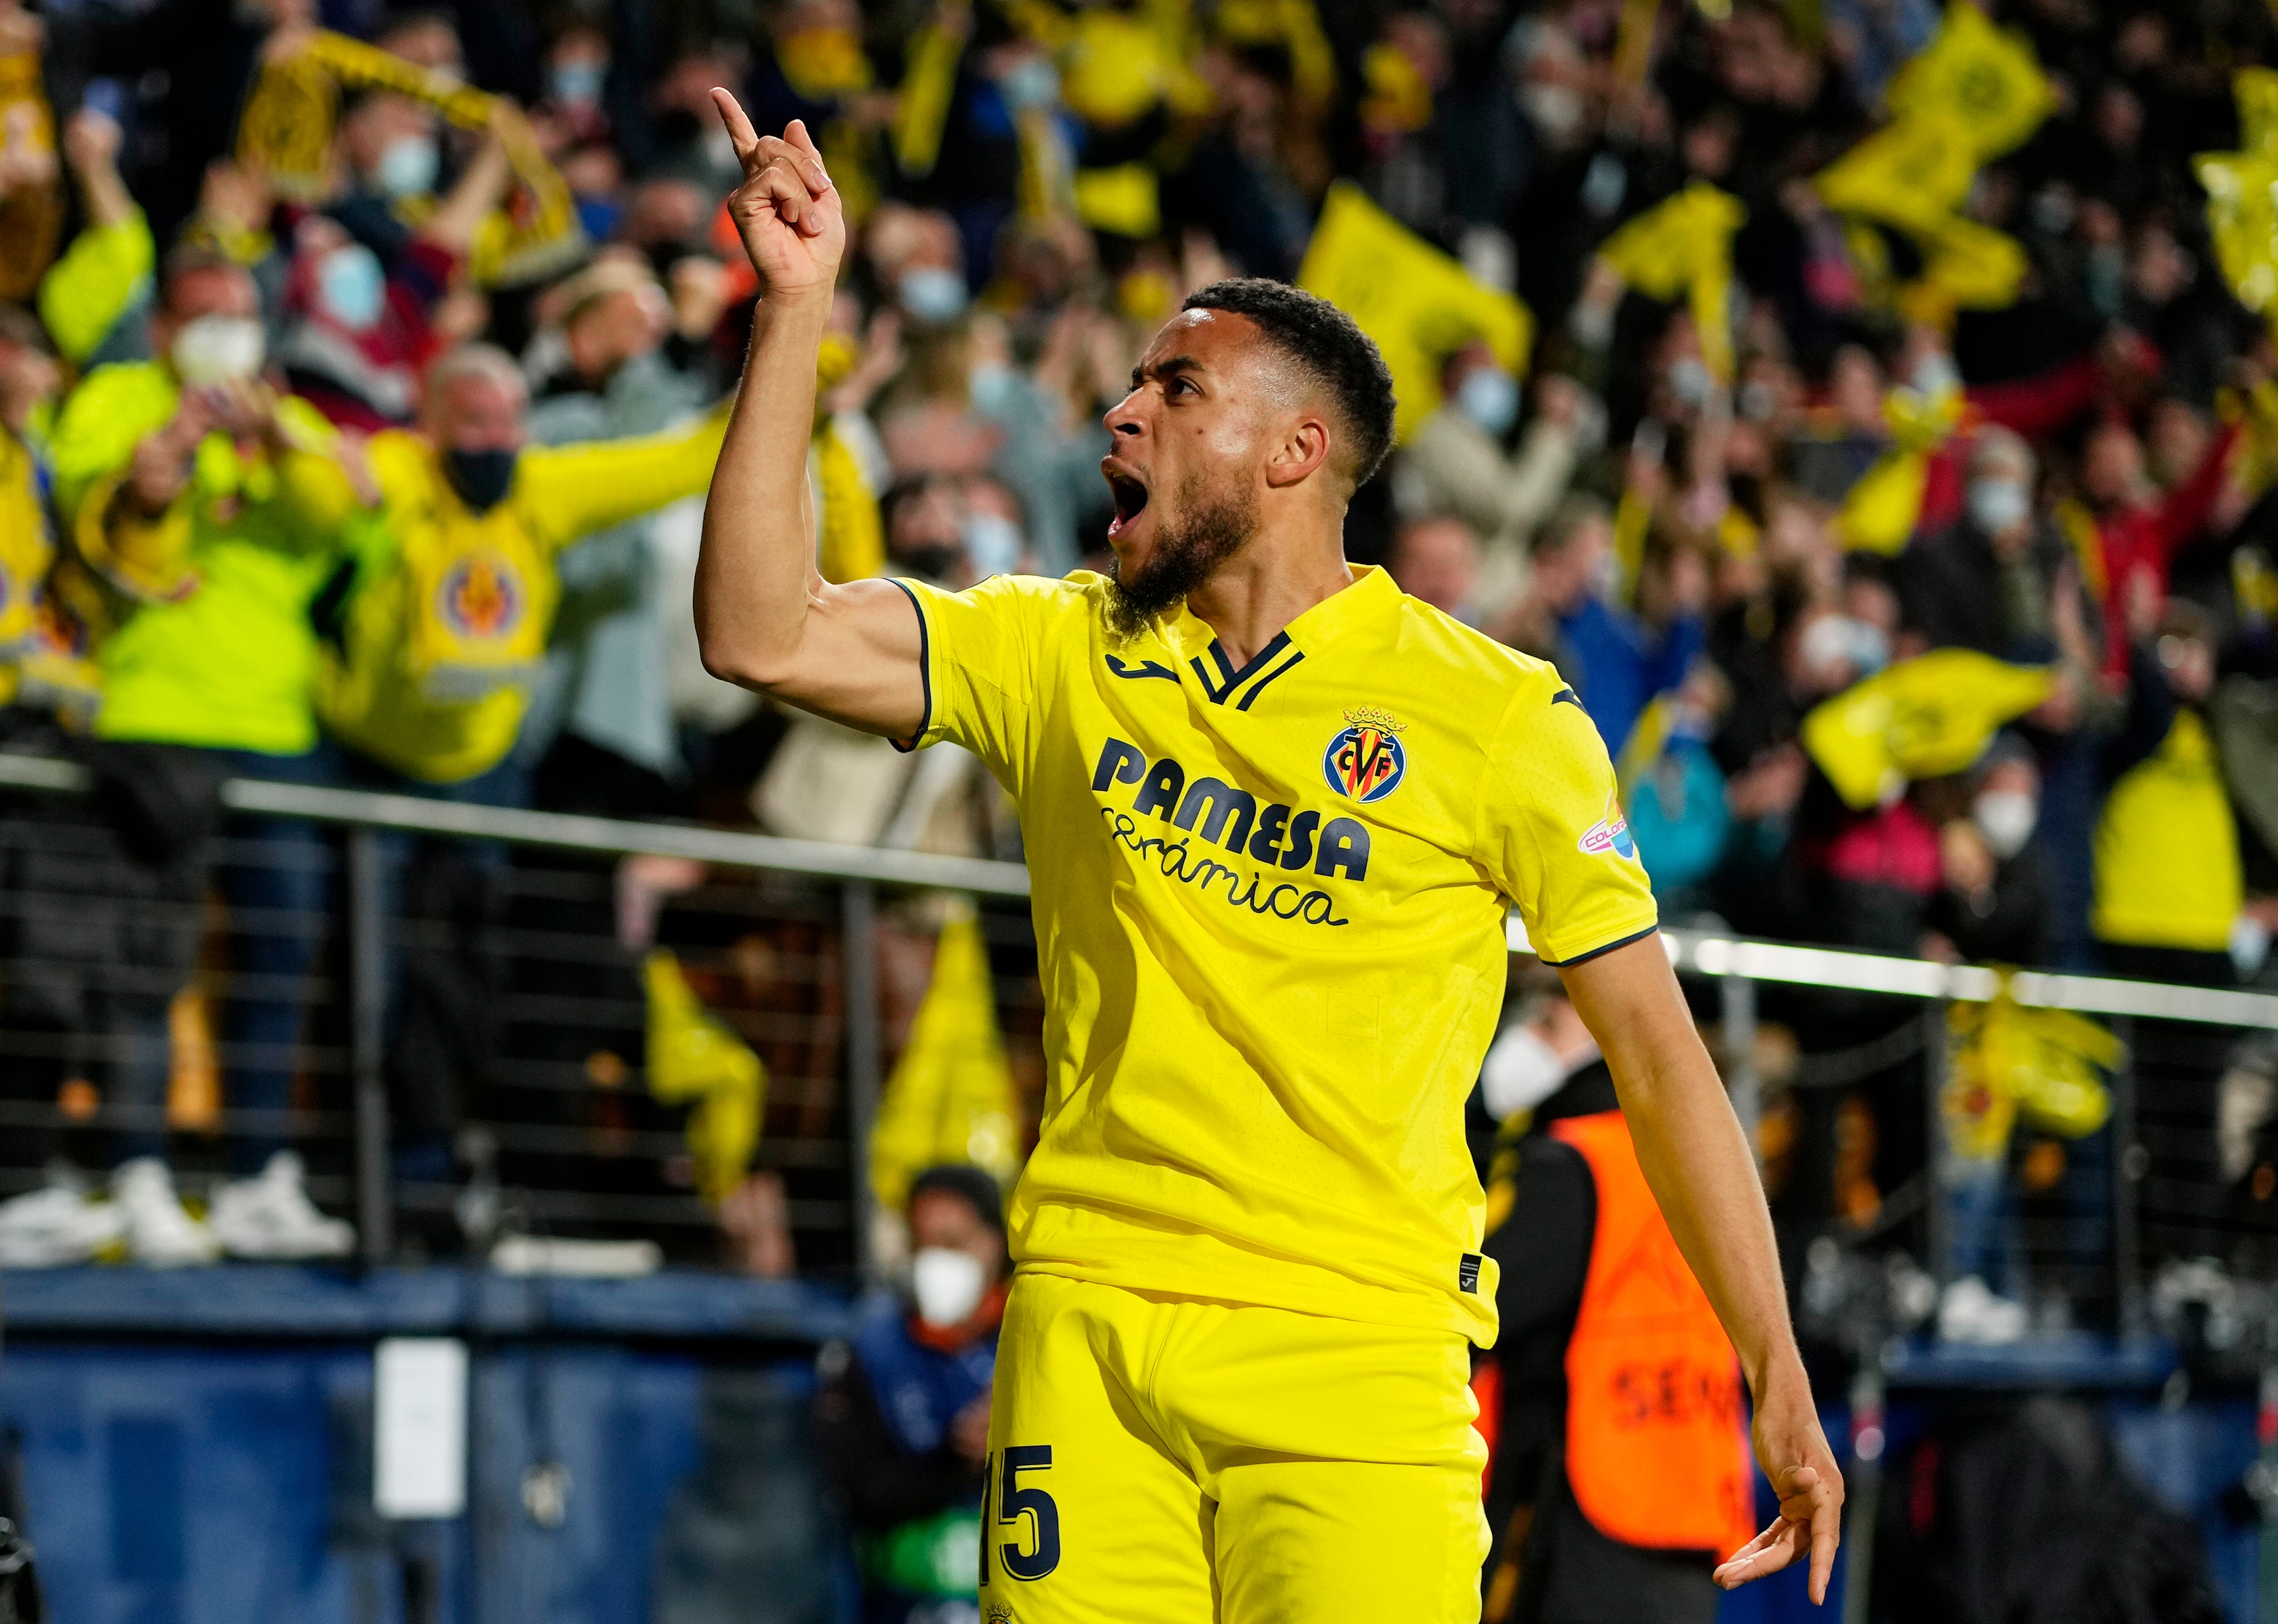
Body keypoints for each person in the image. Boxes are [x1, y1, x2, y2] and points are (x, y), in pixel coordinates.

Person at [693, 100, 1839, 1621]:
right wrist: (795, 311)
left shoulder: (1497, 716)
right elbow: (757, 631)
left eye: (1175, 389)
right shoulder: (1057, 647)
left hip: (1357, 1359)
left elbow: (1657, 1053)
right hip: (1088, 1333)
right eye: (1129, 383)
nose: (1121, 415)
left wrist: (1773, 1365)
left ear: (1297, 451)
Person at [1475, 983, 1753, 1624]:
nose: (1526, 1038)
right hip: (1689, 1502)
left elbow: (1488, 1304)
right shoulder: (1697, 1155)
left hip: (1581, 1513)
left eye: (1549, 1022)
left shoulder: (1575, 1160)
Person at [817, 1163, 1009, 1624]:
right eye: (923, 1246)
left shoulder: (1035, 1337)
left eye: (952, 1243)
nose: (936, 1263)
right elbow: (857, 1487)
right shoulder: (873, 1348)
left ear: (994, 1243)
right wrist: (957, 1462)